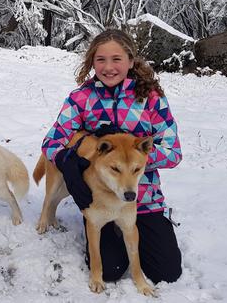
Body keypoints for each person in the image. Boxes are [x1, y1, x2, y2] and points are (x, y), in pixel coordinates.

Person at [41, 29, 183, 285]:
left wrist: (132, 155)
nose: (108, 67)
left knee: (167, 272)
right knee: (109, 271)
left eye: (116, 59)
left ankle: (150, 224)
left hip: (143, 197)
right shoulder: (80, 98)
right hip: (101, 197)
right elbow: (52, 142)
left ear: (130, 60)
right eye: (101, 60)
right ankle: (108, 233)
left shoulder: (151, 99)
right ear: (92, 62)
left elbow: (173, 152)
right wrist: (67, 162)